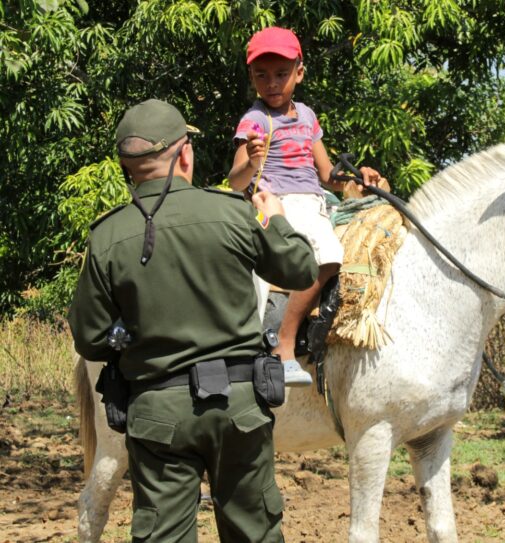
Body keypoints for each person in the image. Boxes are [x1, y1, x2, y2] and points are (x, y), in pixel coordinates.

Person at [68, 98, 318, 542]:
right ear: (185, 154)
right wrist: (277, 221)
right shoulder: (233, 212)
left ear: (127, 168)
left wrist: (134, 343)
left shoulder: (107, 236)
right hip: (239, 408)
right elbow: (300, 270)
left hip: (156, 412)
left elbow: (89, 338)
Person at [228, 26, 388, 387]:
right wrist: (251, 160)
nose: (272, 83)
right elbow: (236, 181)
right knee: (329, 255)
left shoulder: (307, 116)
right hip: (277, 202)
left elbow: (327, 174)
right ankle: (284, 342)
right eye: (262, 75)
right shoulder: (256, 121)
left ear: (299, 73)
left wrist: (358, 178)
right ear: (252, 78)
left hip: (315, 200)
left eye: (281, 74)